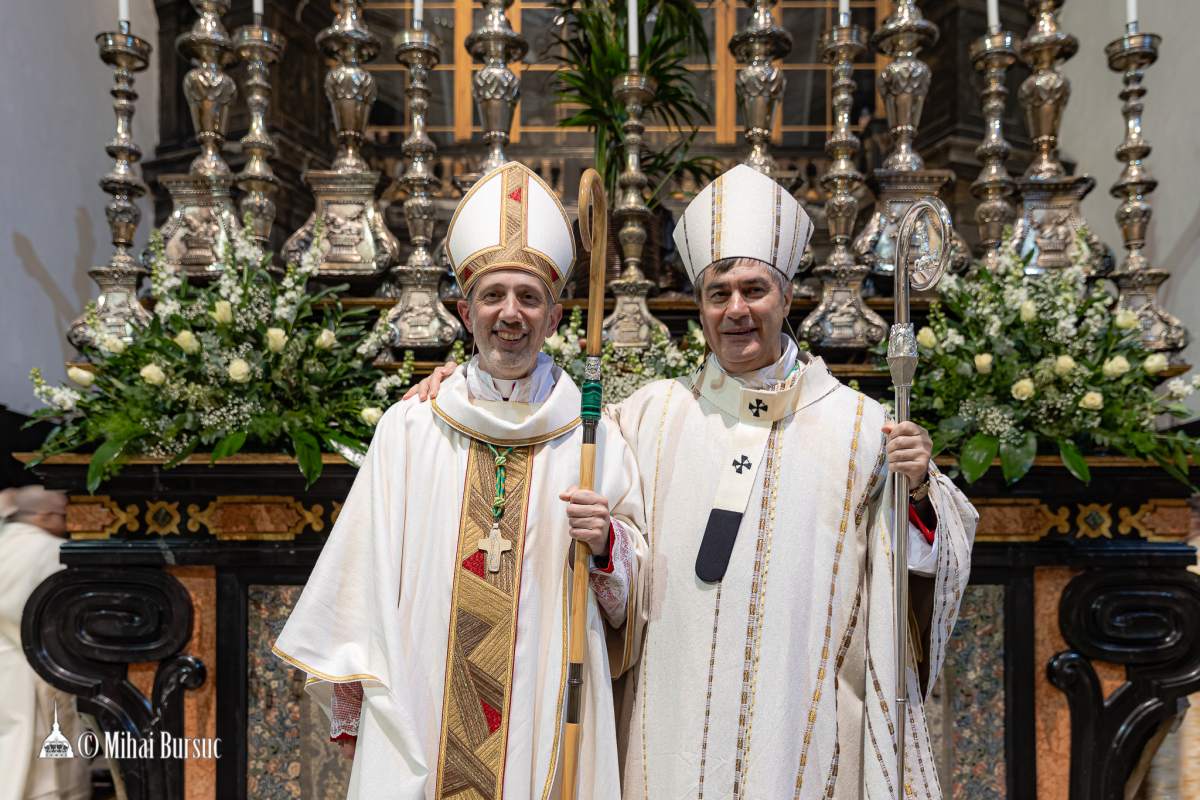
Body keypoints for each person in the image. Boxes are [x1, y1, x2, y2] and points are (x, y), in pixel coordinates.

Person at [409, 164, 978, 798]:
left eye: (754, 290)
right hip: (669, 738)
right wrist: (462, 388)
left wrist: (919, 491)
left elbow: (916, 591)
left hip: (800, 735)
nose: (736, 310)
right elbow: (541, 434)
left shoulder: (863, 432)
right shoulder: (647, 418)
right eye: (718, 293)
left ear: (788, 297)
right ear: (700, 307)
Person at [274, 161, 647, 800]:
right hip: (425, 704)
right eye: (493, 295)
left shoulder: (593, 437)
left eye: (529, 297)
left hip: (545, 709)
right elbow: (364, 569)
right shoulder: (412, 428)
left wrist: (609, 544)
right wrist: (359, 694)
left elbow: (635, 591)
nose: (510, 313)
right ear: (463, 310)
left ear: (556, 316)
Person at [0, 485, 91, 800]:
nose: (66, 523)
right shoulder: (53, 550)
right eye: (62, 516)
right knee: (40, 759)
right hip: (36, 666)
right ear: (44, 516)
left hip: (5, 661)